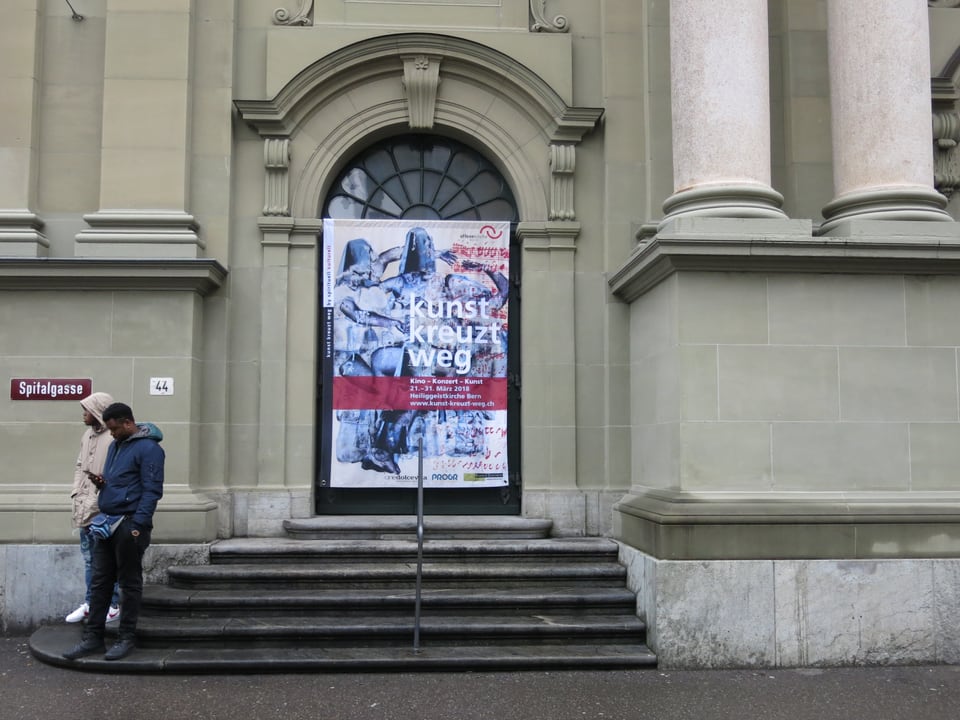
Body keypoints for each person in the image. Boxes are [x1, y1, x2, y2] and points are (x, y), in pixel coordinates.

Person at [63, 403, 164, 662]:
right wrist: (103, 485)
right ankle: (93, 638)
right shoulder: (116, 445)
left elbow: (152, 490)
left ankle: (125, 638)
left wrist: (137, 526)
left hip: (129, 525)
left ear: (128, 423)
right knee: (100, 582)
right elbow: (123, 482)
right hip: (107, 522)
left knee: (129, 584)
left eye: (115, 429)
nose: (112, 434)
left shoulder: (150, 449)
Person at [65, 392, 121, 625]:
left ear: (97, 411)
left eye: (87, 409)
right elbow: (80, 464)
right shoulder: (87, 435)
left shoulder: (113, 437)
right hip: (83, 507)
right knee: (89, 559)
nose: (83, 414)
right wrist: (76, 491)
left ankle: (112, 604)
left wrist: (101, 496)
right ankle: (91, 602)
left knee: (107, 559)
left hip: (103, 509)